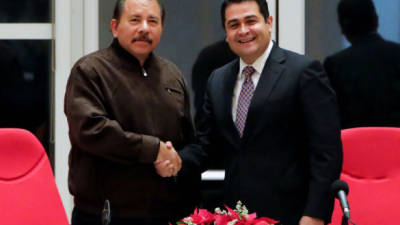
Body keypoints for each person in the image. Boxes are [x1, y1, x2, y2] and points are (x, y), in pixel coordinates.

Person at [179, 0, 343, 225]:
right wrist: (174, 160)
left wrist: (315, 214)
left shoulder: (304, 72)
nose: (243, 30)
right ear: (226, 33)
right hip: (235, 213)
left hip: (291, 214)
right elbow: (207, 147)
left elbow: (326, 152)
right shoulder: (217, 80)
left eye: (251, 21)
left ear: (269, 23)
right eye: (234, 24)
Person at [64, 0, 200, 224]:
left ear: (161, 29)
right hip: (105, 215)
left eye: (153, 21)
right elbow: (90, 130)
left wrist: (176, 162)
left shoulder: (171, 75)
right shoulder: (90, 70)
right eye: (135, 20)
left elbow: (188, 140)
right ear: (115, 27)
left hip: (164, 213)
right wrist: (153, 150)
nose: (144, 28)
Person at [324, 0, 400, 129]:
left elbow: (328, 116)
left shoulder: (334, 65)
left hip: (353, 145)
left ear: (342, 27)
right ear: (376, 20)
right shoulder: (397, 54)